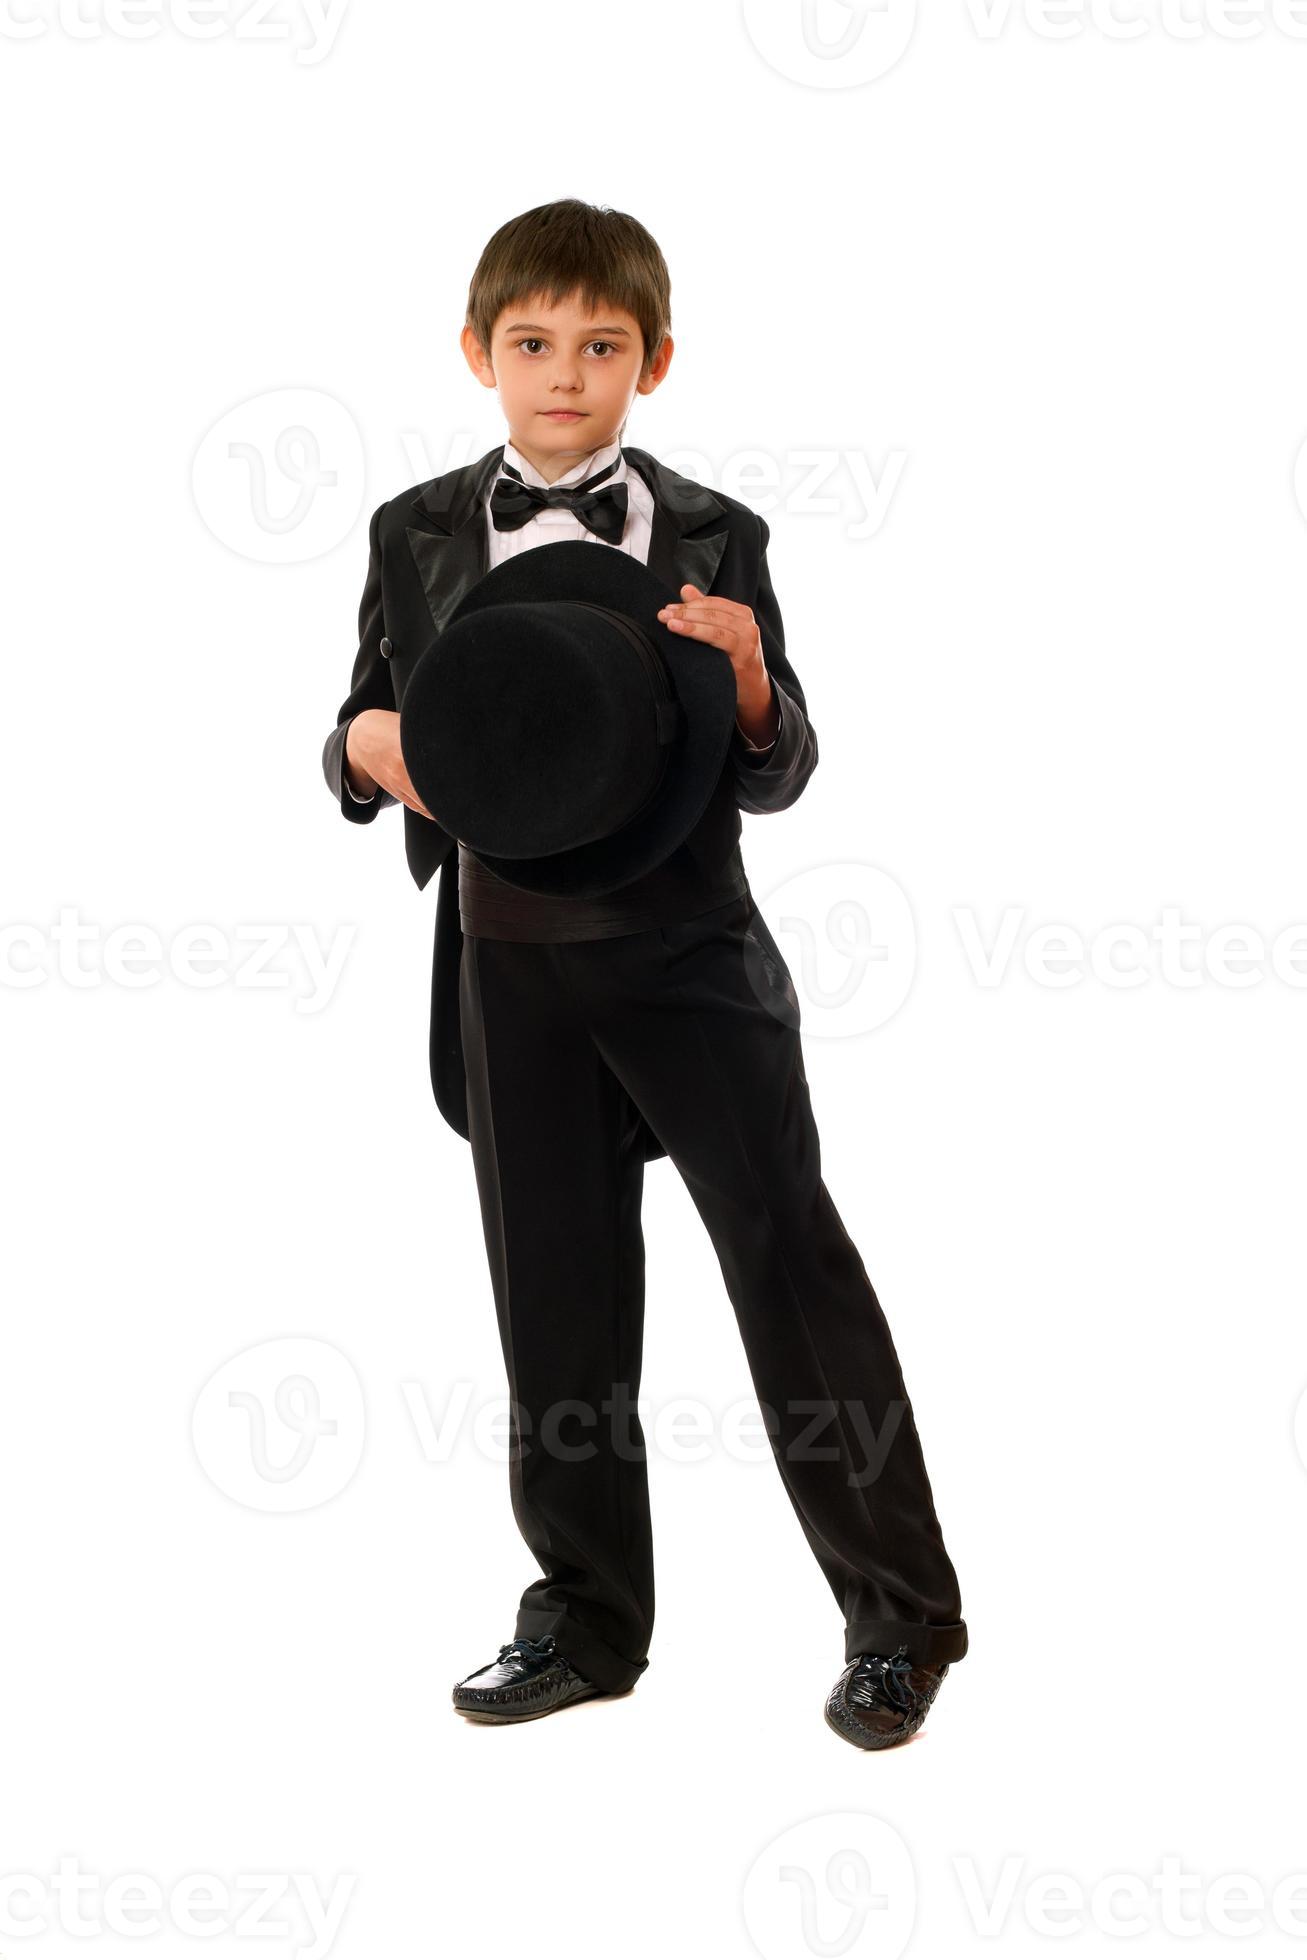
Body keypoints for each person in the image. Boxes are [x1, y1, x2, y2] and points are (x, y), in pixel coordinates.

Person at [322, 198, 967, 1750]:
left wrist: (745, 671)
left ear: (652, 362)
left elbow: (778, 760)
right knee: (555, 1303)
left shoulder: (714, 531)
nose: (564, 374)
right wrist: (366, 750)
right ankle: (589, 1619)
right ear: (478, 354)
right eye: (533, 344)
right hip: (504, 958)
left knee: (791, 1273)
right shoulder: (409, 528)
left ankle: (900, 1619)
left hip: (687, 957)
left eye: (600, 346)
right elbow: (353, 722)